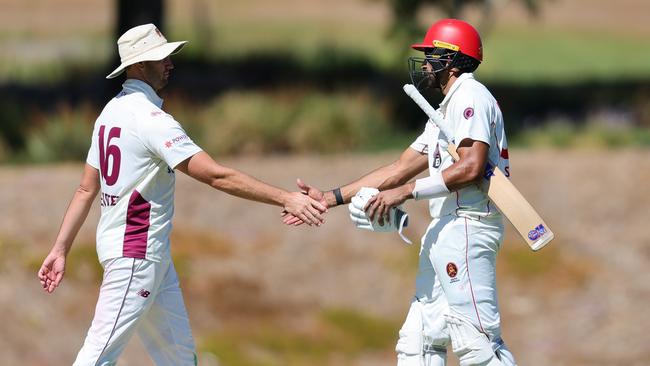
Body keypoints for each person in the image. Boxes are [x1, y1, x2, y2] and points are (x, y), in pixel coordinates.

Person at [37, 23, 327, 366]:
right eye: (162, 58)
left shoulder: (109, 113)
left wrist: (60, 248)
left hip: (149, 257)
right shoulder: (152, 120)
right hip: (135, 255)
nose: (170, 64)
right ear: (139, 66)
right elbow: (217, 176)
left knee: (179, 359)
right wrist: (286, 198)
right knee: (96, 357)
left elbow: (87, 188)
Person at [284, 19, 517, 366]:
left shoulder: (470, 96)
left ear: (451, 60)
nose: (424, 63)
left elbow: (471, 167)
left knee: (477, 344)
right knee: (419, 341)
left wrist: (408, 192)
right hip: (445, 229)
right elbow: (397, 169)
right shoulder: (444, 109)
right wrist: (330, 198)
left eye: (431, 55)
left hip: (469, 226)